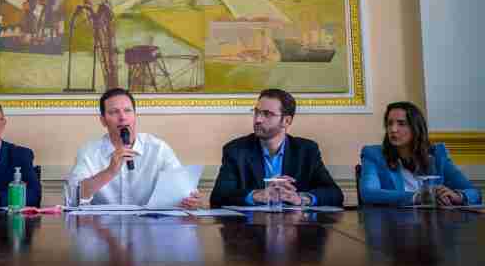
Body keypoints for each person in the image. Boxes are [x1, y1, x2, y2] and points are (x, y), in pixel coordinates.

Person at [67, 88, 204, 208]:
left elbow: (181, 190)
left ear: (135, 116)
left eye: (127, 111)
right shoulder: (89, 151)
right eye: (114, 112)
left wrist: (190, 200)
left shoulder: (158, 149)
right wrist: (109, 171)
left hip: (148, 231)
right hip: (102, 230)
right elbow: (73, 198)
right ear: (103, 120)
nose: (122, 117)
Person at [210, 88, 343, 208]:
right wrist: (257, 195)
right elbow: (218, 196)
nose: (258, 119)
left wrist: (301, 198)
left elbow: (335, 194)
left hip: (298, 229)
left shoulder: (306, 150)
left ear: (286, 121)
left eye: (267, 114)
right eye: (256, 112)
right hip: (251, 230)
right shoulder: (236, 150)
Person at [359, 101, 481, 206]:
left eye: (401, 124)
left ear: (416, 128)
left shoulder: (437, 155)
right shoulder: (373, 154)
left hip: (437, 224)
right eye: (390, 123)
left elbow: (473, 193)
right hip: (394, 225)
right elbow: (369, 193)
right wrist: (417, 197)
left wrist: (458, 196)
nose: (393, 129)